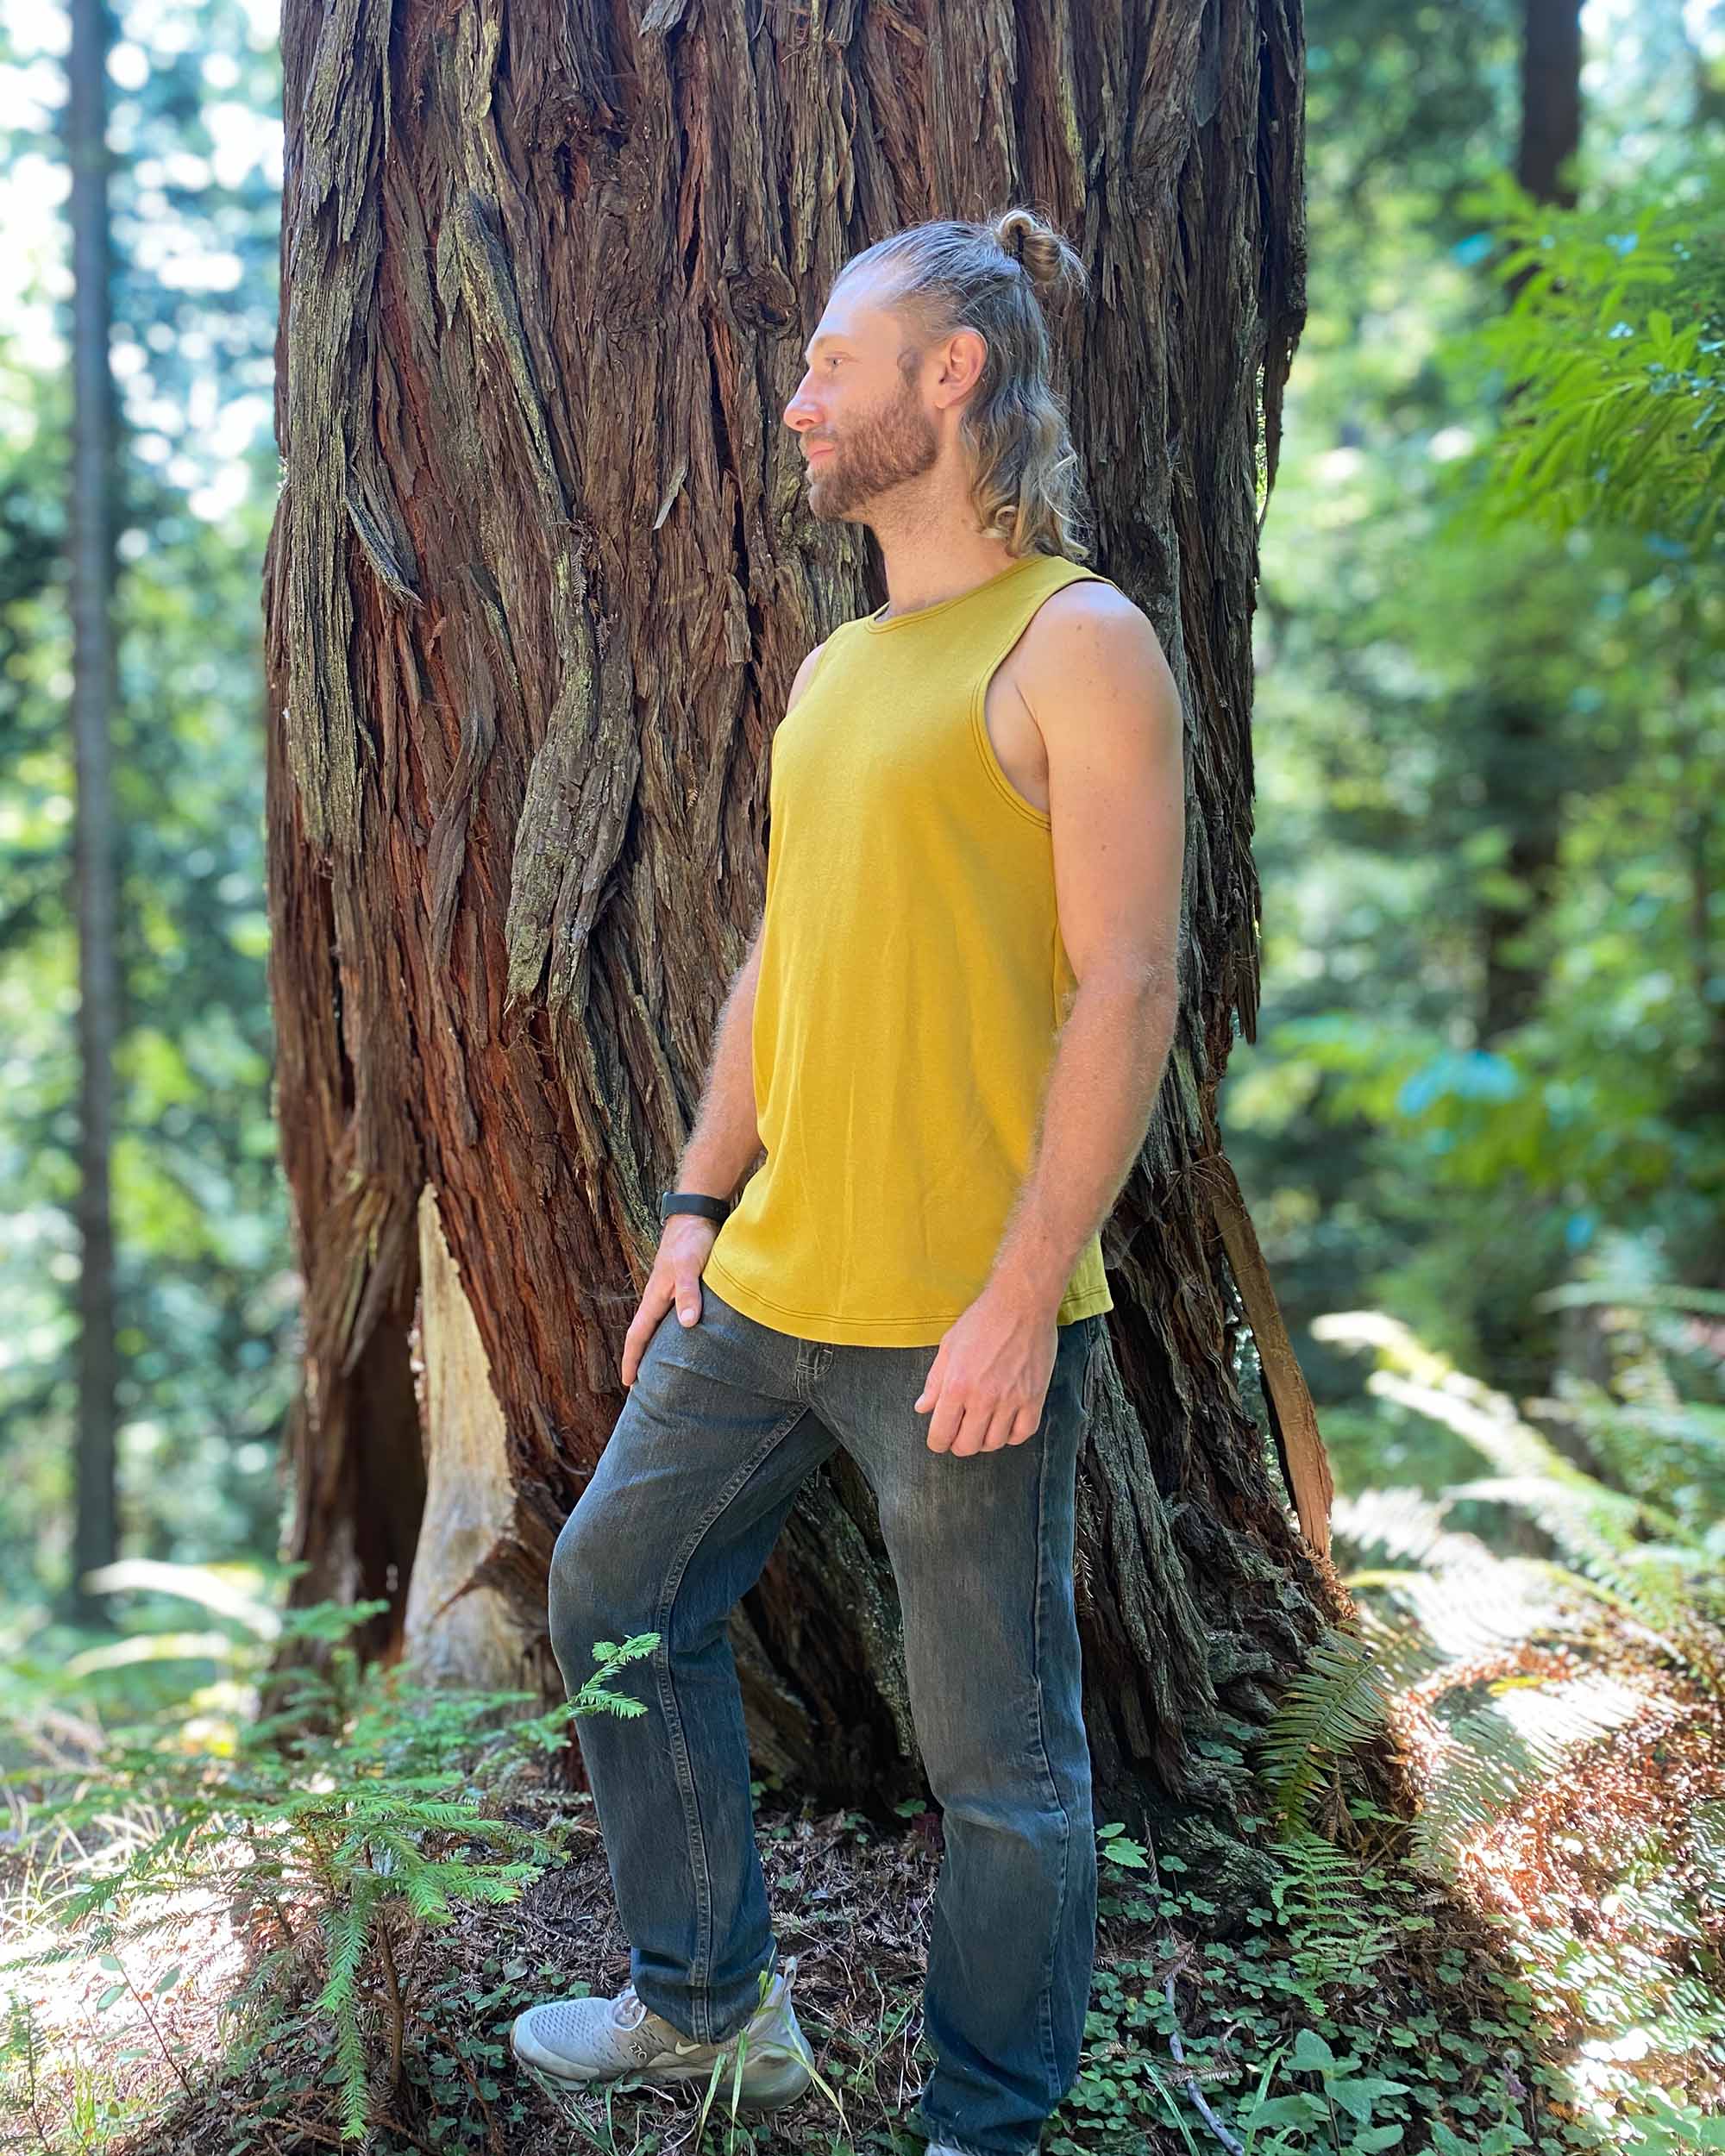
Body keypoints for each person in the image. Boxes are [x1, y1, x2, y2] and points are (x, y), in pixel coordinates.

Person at [511, 204, 1184, 2156]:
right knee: (614, 1587)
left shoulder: (1080, 641)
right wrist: (692, 1205)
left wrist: (1016, 1288)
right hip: (770, 1287)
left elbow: (1127, 986)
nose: (796, 400)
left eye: (831, 363)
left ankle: (984, 2123)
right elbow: (778, 963)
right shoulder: (835, 671)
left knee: (1001, 1760)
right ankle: (712, 2010)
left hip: (959, 1316)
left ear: (947, 377)